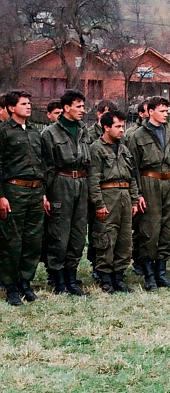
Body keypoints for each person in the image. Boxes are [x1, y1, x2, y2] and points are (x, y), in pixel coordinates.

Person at [125, 96, 170, 291]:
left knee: (168, 231)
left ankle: (161, 274)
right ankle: (148, 275)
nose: (166, 114)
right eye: (162, 110)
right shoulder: (137, 136)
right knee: (149, 230)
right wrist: (136, 194)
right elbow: (131, 168)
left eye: (167, 111)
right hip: (148, 183)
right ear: (150, 112)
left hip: (169, 183)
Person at [42, 89, 91, 297]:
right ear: (66, 108)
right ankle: (58, 280)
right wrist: (45, 194)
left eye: (83, 106)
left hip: (81, 182)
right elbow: (45, 167)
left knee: (79, 234)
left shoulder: (83, 130)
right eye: (78, 106)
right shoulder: (50, 133)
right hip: (60, 183)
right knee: (59, 234)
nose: (82, 110)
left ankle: (72, 279)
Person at [0, 91, 45, 305]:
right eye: (24, 103)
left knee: (33, 240)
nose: (29, 106)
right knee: (12, 241)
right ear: (11, 108)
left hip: (36, 191)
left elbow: (42, 164)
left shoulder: (35, 131)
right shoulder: (4, 132)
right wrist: (1, 196)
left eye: (29, 102)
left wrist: (43, 192)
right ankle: (11, 287)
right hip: (14, 191)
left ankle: (25, 282)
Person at [87, 110, 140, 294]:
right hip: (107, 196)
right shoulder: (96, 149)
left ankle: (119, 277)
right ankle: (105, 279)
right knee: (106, 237)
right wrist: (99, 204)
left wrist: (134, 200)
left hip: (124, 196)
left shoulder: (124, 150)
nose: (121, 130)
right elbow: (93, 180)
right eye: (117, 126)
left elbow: (132, 178)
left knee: (124, 239)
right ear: (106, 127)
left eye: (122, 126)